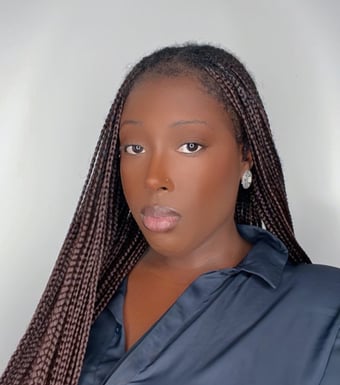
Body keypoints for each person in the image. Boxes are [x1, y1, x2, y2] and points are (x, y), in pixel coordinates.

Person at [1, 44, 339, 385]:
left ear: (246, 156)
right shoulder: (82, 293)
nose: (153, 177)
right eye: (135, 148)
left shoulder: (326, 312)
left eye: (190, 146)